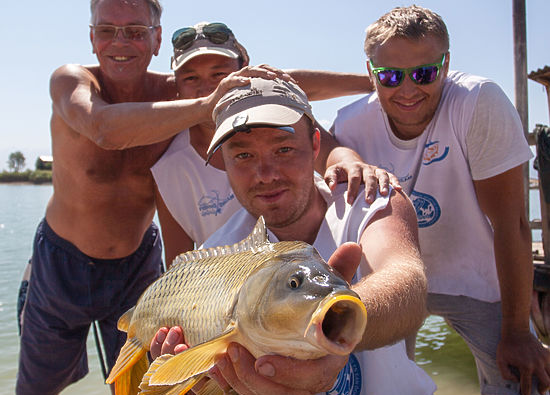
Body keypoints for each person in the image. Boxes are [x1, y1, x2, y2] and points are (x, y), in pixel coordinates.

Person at [11, 2, 391, 395]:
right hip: (63, 258)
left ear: (157, 38)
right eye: (107, 30)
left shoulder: (172, 90)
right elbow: (102, 127)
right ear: (90, 35)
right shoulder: (75, 80)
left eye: (136, 31)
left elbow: (283, 85)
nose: (121, 42)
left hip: (138, 262)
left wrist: (376, 81)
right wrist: (213, 102)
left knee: (132, 394)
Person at [151, 77, 440, 395]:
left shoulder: (370, 199)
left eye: (283, 149)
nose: (266, 173)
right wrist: (183, 386)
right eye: (243, 155)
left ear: (316, 145)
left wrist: (337, 319)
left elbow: (408, 283)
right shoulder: (214, 260)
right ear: (223, 163)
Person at [330, 5, 550, 395]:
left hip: (479, 274)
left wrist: (518, 328)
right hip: (392, 275)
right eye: (391, 76)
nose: (409, 90)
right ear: (371, 72)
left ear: (446, 64)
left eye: (425, 73)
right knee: (371, 392)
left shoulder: (478, 102)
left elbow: (511, 222)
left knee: (528, 386)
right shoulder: (348, 125)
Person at [151, 21, 398, 266]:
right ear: (176, 84)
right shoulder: (169, 168)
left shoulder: (279, 117)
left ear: (244, 71)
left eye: (219, 74)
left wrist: (353, 163)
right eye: (191, 78)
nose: (208, 88)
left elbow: (331, 153)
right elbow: (179, 267)